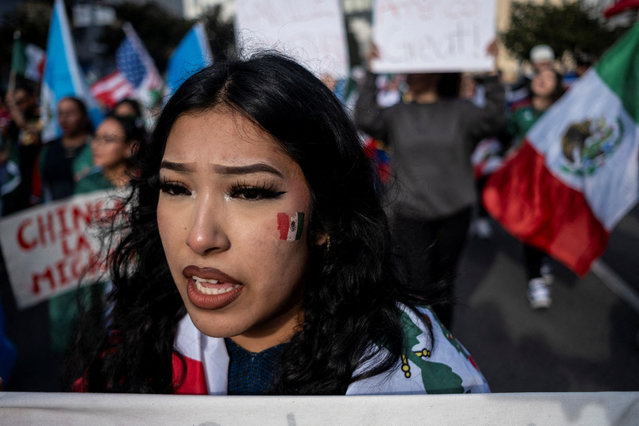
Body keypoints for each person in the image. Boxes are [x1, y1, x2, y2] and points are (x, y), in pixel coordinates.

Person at [71, 53, 489, 395]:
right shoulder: (140, 338)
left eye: (249, 192)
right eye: (177, 188)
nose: (199, 237)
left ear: (326, 216)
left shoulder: (420, 387)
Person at [354, 43, 505, 328]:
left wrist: (492, 74)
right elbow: (364, 118)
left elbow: (495, 119)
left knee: (443, 285)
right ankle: (421, 344)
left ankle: (445, 348)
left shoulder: (462, 111)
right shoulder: (398, 113)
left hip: (454, 211)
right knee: (417, 285)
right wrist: (372, 72)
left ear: (437, 73)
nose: (410, 72)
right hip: (410, 213)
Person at [504, 67, 565, 309]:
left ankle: (542, 258)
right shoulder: (521, 113)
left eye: (549, 77)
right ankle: (535, 279)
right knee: (532, 227)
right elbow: (505, 139)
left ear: (557, 85)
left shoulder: (563, 114)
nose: (541, 79)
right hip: (527, 184)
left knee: (550, 226)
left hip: (556, 182)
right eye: (539, 75)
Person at [39, 96, 93, 202]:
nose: (64, 119)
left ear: (84, 116)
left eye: (70, 113)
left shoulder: (95, 146)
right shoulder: (48, 149)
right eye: (60, 114)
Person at [2, 80, 41, 214]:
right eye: (16, 103)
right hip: (18, 179)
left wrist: (13, 106)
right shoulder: (12, 124)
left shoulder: (41, 117)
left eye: (21, 102)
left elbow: (35, 134)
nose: (19, 107)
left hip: (36, 177)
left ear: (32, 98)